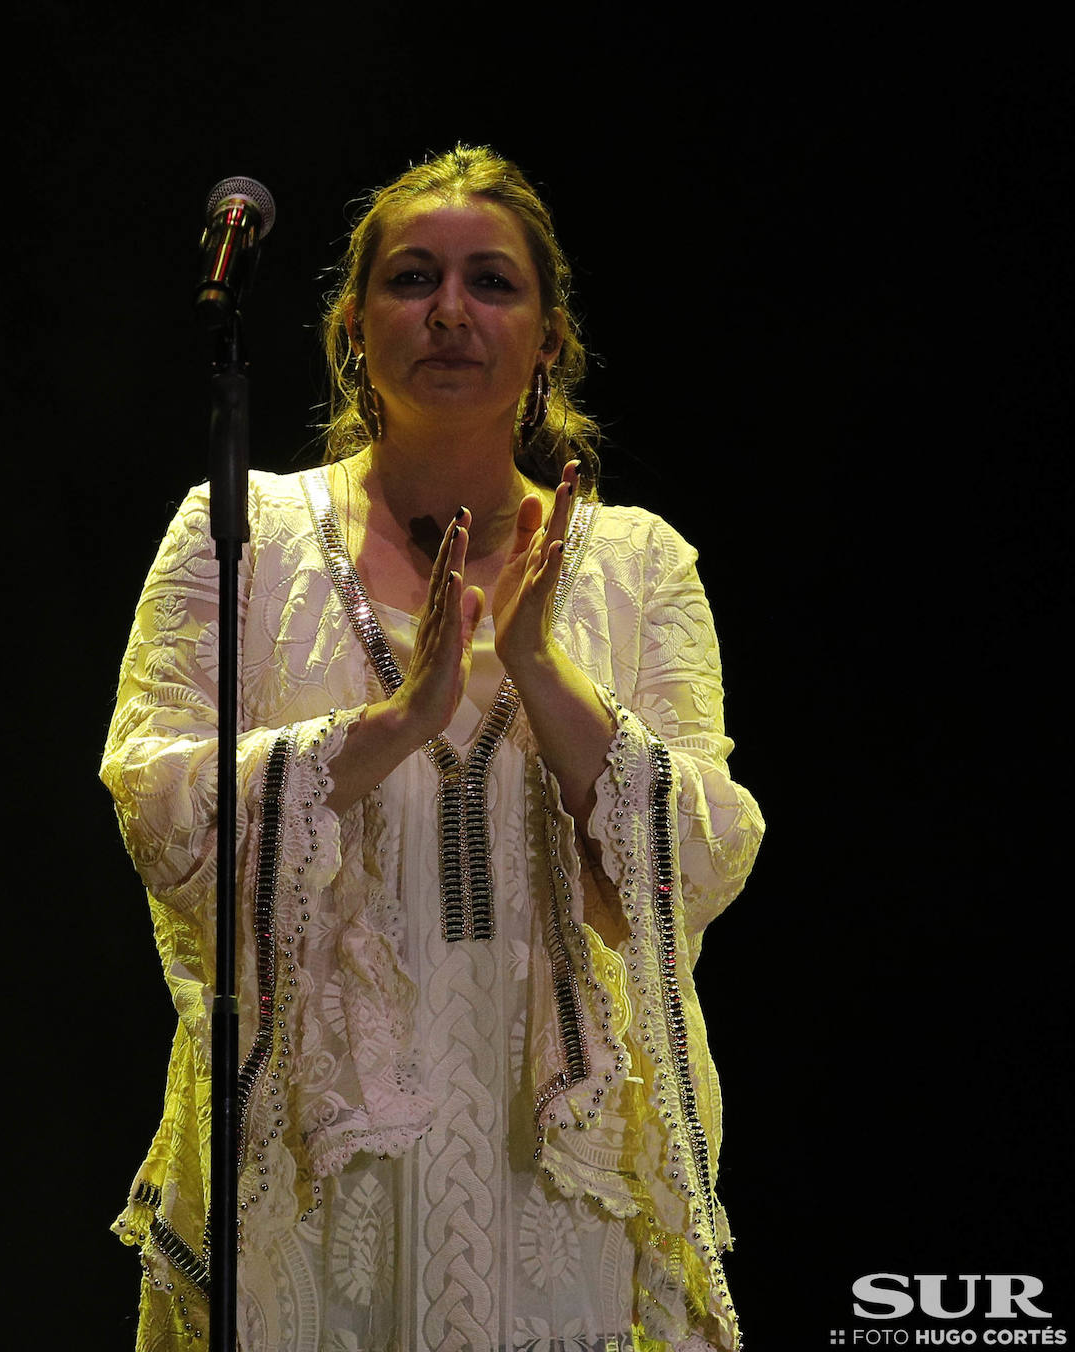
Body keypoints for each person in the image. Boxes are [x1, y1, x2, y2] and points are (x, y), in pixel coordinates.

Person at [101, 144, 764, 1352]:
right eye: (413, 278)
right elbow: (162, 809)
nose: (450, 310)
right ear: (353, 324)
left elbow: (681, 875)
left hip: (556, 1190)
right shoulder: (238, 533)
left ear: (550, 336)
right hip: (311, 1181)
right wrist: (391, 727)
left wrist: (543, 670)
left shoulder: (640, 566)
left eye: (491, 283)